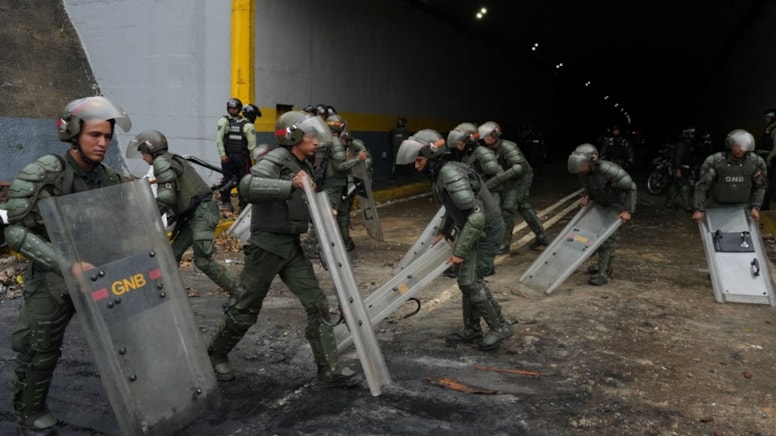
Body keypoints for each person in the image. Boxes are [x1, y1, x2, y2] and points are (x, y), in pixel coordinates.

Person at [1, 96, 131, 435]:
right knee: (38, 348)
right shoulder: (45, 174)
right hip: (53, 276)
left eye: (107, 136)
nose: (103, 143)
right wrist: (68, 265)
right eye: (94, 135)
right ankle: (29, 412)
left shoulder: (109, 178)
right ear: (73, 133)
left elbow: (123, 224)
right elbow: (14, 231)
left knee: (131, 337)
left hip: (98, 272)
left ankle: (142, 402)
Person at [206, 110, 362, 387]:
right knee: (246, 306)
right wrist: (290, 184)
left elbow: (302, 201)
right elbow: (248, 186)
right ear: (294, 137)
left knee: (317, 303)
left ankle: (328, 369)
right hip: (266, 246)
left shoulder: (304, 163)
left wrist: (322, 211)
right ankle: (216, 353)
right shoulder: (278, 158)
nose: (316, 141)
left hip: (290, 245)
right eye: (311, 136)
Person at [396, 129, 512, 350]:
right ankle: (472, 329)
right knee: (467, 280)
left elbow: (476, 216)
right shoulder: (440, 173)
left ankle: (500, 327)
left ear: (430, 156)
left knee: (470, 281)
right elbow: (453, 207)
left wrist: (460, 251)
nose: (415, 165)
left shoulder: (449, 174)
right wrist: (444, 231)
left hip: (485, 229)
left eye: (418, 160)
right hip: (473, 227)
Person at [128, 129, 239, 297]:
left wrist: (148, 217)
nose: (143, 158)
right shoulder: (172, 159)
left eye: (143, 153)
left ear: (150, 150)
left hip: (201, 214)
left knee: (203, 261)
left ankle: (240, 294)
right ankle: (171, 293)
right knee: (172, 255)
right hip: (197, 213)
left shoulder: (161, 162)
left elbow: (166, 197)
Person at [567, 143, 637, 286]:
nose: (580, 167)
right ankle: (603, 267)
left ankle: (603, 274)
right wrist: (587, 196)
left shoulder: (608, 170)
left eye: (583, 164)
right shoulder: (584, 172)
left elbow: (631, 187)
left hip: (616, 206)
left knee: (607, 240)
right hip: (600, 204)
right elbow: (589, 185)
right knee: (594, 236)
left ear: (592, 162)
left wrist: (628, 211)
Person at [478, 121, 549, 253]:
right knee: (523, 206)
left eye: (488, 136)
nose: (486, 139)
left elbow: (519, 168)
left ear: (495, 134)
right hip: (511, 179)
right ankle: (541, 236)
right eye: (485, 136)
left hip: (522, 178)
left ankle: (505, 243)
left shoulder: (508, 147)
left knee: (507, 208)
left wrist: (499, 179)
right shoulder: (490, 149)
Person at [302, 113, 368, 256]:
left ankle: (345, 241)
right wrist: (358, 159)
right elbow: (340, 166)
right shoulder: (336, 142)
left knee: (342, 213)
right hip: (333, 185)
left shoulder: (323, 140)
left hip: (332, 183)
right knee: (326, 215)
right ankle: (309, 245)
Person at [447, 122, 503, 277]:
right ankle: (465, 263)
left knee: (487, 229)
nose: (458, 144)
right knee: (471, 228)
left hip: (489, 195)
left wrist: (480, 187)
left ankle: (484, 266)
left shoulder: (482, 152)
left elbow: (495, 172)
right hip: (479, 195)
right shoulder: (466, 155)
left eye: (460, 141)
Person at [692, 129, 767, 224]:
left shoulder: (754, 163)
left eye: (743, 145)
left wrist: (756, 207)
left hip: (743, 207)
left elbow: (760, 186)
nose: (741, 149)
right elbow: (702, 186)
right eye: (738, 145)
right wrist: (699, 209)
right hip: (718, 206)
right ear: (730, 145)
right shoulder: (717, 162)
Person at [216, 97, 256, 213]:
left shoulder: (244, 124)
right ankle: (232, 204)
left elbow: (251, 147)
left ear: (239, 109)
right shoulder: (224, 121)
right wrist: (222, 154)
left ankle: (239, 204)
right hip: (232, 157)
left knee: (238, 180)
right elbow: (219, 139)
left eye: (234, 108)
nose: (232, 110)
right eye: (230, 108)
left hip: (236, 157)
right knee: (237, 179)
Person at [666, 126, 699, 212]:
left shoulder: (688, 144)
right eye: (692, 134)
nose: (693, 136)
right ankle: (687, 206)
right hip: (680, 168)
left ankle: (669, 202)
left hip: (685, 169)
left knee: (675, 186)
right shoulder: (682, 144)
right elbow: (678, 157)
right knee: (684, 187)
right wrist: (678, 169)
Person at [759, 108, 776, 210]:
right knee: (762, 180)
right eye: (765, 117)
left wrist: (769, 159)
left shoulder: (774, 129)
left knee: (767, 182)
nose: (766, 119)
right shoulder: (768, 128)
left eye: (768, 117)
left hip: (768, 158)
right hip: (763, 157)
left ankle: (765, 204)